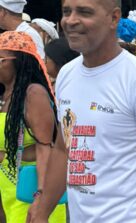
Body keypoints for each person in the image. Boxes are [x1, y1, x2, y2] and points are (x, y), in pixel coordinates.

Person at [27, 0, 136, 222]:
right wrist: (43, 208)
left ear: (114, 18)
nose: (70, 20)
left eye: (84, 12)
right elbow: (65, 149)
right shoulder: (66, 75)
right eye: (66, 12)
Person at [0, 31, 66, 223]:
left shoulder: (33, 94)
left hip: (32, 191)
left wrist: (41, 200)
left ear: (18, 61)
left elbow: (46, 148)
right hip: (9, 190)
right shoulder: (5, 96)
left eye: (0, 59)